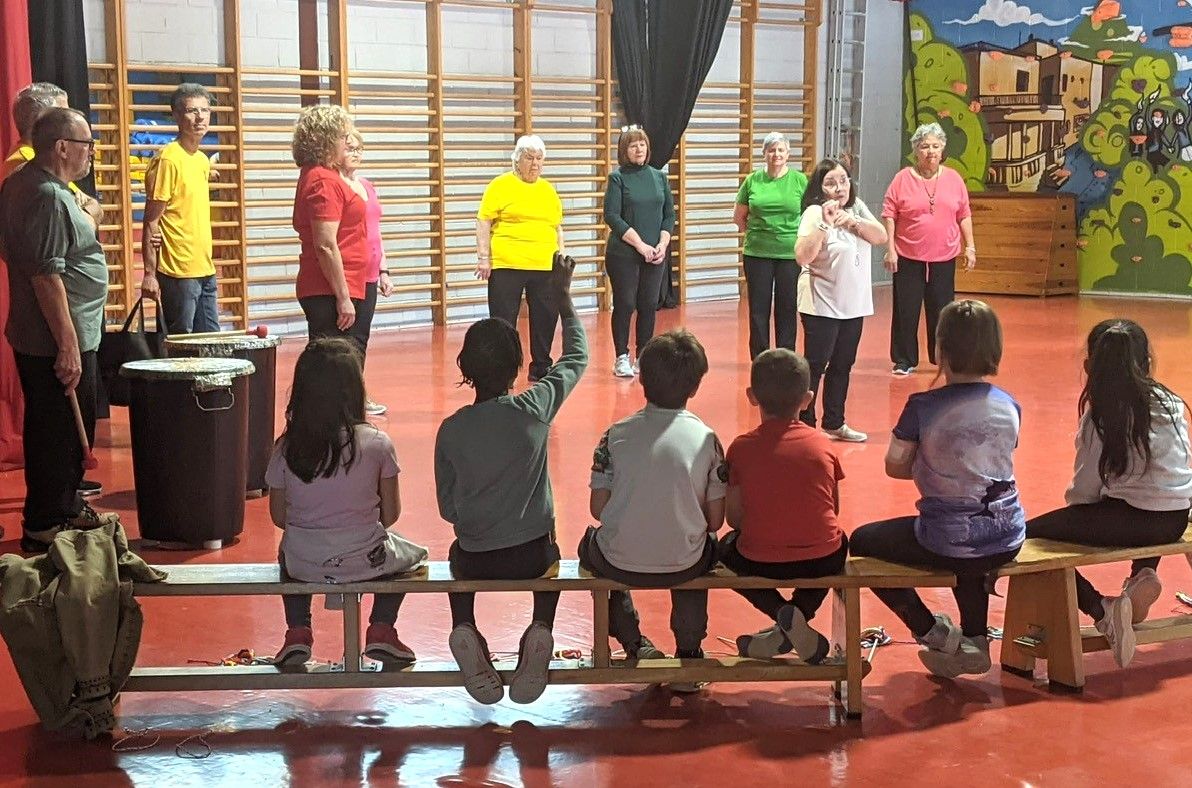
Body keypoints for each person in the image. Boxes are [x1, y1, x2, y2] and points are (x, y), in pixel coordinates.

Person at [435, 255, 587, 705]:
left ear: (466, 369)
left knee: (455, 555)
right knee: (553, 551)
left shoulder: (451, 429)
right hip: (530, 556)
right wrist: (563, 299)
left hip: (476, 559)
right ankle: (541, 627)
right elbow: (576, 356)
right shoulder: (534, 407)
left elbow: (447, 508)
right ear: (517, 366)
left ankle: (465, 626)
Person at [850, 300, 1025, 679]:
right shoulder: (1009, 403)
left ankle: (930, 629)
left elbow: (894, 466)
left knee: (862, 542)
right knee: (973, 539)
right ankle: (975, 639)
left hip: (948, 538)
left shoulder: (923, 406)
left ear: (939, 348)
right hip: (1009, 533)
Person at [1025, 319, 1192, 668]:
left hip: (1132, 520)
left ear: (1090, 367)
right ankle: (1142, 576)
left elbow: (1084, 493)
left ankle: (1102, 608)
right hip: (1176, 517)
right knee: (1147, 498)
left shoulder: (1100, 416)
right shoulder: (1171, 403)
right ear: (1147, 363)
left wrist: (1079, 520)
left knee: (1023, 537)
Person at [578, 329, 727, 690]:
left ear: (642, 379)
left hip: (618, 561)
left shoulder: (614, 435)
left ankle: (633, 642)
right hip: (685, 562)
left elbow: (598, 509)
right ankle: (689, 652)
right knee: (703, 548)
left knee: (589, 548)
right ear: (695, 386)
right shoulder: (708, 439)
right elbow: (715, 520)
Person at [0, 107, 120, 553]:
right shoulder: (47, 195)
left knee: (59, 428)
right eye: (87, 144)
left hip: (51, 334)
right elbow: (46, 276)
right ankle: (47, 522)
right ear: (63, 147)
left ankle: (64, 507)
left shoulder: (25, 183)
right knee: (59, 434)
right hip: (56, 338)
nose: (92, 153)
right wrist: (68, 347)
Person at [268, 337, 428, 667]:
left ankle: (297, 631)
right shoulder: (377, 443)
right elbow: (391, 515)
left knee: (286, 553)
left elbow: (279, 518)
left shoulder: (285, 447)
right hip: (365, 559)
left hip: (304, 563)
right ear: (356, 389)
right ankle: (382, 627)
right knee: (414, 560)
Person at [720, 349, 847, 663]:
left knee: (723, 551)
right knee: (837, 544)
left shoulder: (741, 448)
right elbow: (833, 508)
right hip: (820, 559)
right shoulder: (822, 444)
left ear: (751, 396)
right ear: (807, 399)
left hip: (760, 560)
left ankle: (782, 616)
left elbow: (734, 519)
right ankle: (797, 617)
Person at [794, 157, 887, 442]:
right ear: (820, 188)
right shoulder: (814, 212)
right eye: (831, 183)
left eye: (843, 181)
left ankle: (834, 422)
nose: (839, 188)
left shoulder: (857, 208)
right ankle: (804, 424)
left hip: (854, 303)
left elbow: (880, 236)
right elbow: (802, 255)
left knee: (843, 364)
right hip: (822, 302)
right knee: (815, 365)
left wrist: (854, 222)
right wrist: (825, 224)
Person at [882, 122, 976, 376]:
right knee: (906, 309)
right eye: (924, 146)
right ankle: (904, 359)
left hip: (944, 255)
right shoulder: (902, 178)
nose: (930, 151)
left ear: (943, 149)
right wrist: (890, 249)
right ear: (915, 150)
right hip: (908, 255)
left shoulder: (954, 178)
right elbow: (889, 214)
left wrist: (971, 247)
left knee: (943, 310)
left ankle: (943, 357)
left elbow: (964, 214)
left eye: (935, 146)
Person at [475, 135, 565, 382]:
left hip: (544, 264)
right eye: (529, 158)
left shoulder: (548, 190)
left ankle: (541, 366)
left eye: (539, 159)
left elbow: (557, 227)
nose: (535, 164)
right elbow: (483, 221)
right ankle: (504, 371)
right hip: (508, 263)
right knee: (503, 321)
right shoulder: (500, 185)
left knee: (546, 317)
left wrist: (562, 256)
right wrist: (484, 257)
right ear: (516, 160)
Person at [140, 83, 218, 335]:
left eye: (205, 110)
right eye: (192, 111)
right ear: (176, 115)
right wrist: (149, 273)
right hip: (177, 272)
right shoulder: (168, 159)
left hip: (205, 268)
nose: (200, 117)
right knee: (180, 344)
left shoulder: (202, 160)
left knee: (212, 345)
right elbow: (151, 220)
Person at [291, 105, 371, 350]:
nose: (346, 143)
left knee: (342, 357)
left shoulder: (324, 175)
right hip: (329, 289)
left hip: (341, 283)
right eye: (342, 137)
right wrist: (343, 297)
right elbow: (325, 245)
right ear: (326, 139)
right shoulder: (323, 180)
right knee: (336, 358)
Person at [602, 126, 674, 378]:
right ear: (625, 150)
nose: (639, 149)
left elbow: (669, 215)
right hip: (624, 254)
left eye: (642, 144)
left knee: (648, 304)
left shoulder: (659, 177)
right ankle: (621, 357)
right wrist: (640, 245)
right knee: (625, 303)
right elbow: (612, 216)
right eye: (633, 145)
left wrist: (662, 244)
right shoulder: (617, 178)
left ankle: (644, 355)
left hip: (655, 254)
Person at [734, 132, 807, 360]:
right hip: (757, 253)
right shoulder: (752, 180)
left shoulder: (799, 180)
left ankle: (786, 356)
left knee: (787, 306)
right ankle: (760, 358)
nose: (776, 154)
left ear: (788, 154)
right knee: (758, 308)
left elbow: (809, 215)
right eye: (772, 150)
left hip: (789, 254)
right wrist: (760, 233)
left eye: (781, 150)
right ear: (764, 153)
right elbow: (739, 217)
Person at [340, 129, 391, 416]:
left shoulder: (367, 186)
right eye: (350, 148)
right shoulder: (336, 186)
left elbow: (376, 231)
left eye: (359, 148)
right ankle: (343, 398)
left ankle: (358, 395)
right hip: (348, 272)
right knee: (343, 341)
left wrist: (384, 269)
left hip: (370, 272)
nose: (356, 153)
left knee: (360, 338)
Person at [2, 83, 101, 229]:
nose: (71, 119)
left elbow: (92, 205)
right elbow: (79, 223)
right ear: (41, 121)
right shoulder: (27, 163)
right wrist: (88, 219)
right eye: (64, 115)